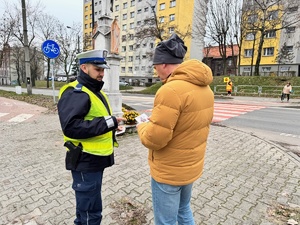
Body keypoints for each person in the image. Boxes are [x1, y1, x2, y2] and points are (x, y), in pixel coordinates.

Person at [136, 33, 214, 224]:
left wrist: (142, 125)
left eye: (155, 67)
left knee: (165, 221)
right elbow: (188, 124)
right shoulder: (205, 88)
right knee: (183, 210)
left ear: (163, 64)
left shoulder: (170, 90)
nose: (156, 73)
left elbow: (155, 139)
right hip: (190, 166)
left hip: (169, 170)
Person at [57, 49, 126, 225]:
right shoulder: (76, 92)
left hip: (94, 160)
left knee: (88, 209)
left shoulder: (95, 91)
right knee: (91, 213)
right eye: (97, 69)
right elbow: (71, 128)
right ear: (83, 68)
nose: (102, 74)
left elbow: (94, 120)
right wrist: (109, 123)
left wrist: (112, 124)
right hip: (85, 160)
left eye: (103, 70)